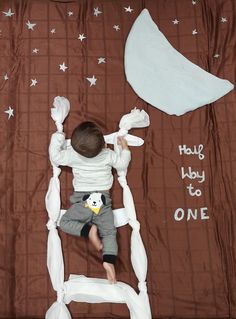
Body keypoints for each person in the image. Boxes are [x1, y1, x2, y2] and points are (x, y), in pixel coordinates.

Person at [49, 121, 131, 284]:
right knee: (108, 233)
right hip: (103, 201)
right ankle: (109, 260)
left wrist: (58, 137)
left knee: (64, 222)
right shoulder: (107, 154)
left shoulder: (72, 155)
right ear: (102, 145)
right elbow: (122, 163)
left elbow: (55, 157)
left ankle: (88, 230)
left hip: (85, 201)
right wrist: (125, 149)